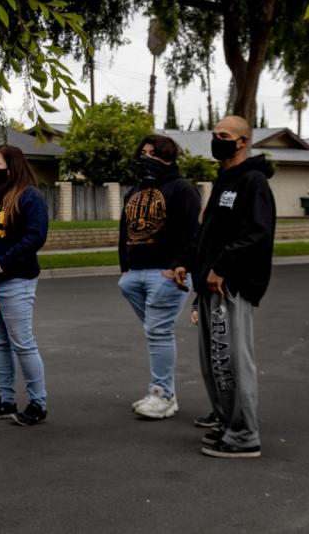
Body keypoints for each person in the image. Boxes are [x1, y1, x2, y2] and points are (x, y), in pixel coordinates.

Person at [175, 115, 275, 459]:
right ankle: (227, 422)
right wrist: (187, 263)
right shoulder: (224, 181)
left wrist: (221, 267)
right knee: (213, 361)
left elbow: (257, 234)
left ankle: (245, 435)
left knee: (230, 360)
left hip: (230, 285)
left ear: (243, 141)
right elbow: (208, 233)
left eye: (224, 135)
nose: (217, 140)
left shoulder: (253, 182)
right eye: (214, 134)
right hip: (209, 284)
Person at [118, 135, 200, 419]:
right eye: (143, 153)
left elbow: (192, 233)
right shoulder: (134, 192)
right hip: (134, 275)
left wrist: (178, 265)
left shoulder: (182, 189)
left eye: (153, 153)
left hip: (166, 273)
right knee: (157, 334)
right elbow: (123, 231)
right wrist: (124, 269)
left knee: (158, 333)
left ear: (168, 157)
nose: (146, 158)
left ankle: (161, 395)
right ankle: (166, 395)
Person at [0, 145, 50, 426]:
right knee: (0, 343)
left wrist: (3, 262)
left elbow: (35, 236)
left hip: (15, 280)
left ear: (12, 166)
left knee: (23, 343)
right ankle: (6, 400)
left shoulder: (29, 196)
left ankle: (38, 403)